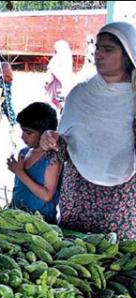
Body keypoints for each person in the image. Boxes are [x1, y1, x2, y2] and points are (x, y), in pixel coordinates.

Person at [40, 22, 136, 239]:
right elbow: (63, 148)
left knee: (117, 263)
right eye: (97, 48)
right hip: (78, 196)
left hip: (123, 199)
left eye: (108, 49)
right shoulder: (80, 94)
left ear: (128, 54)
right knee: (73, 261)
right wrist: (51, 140)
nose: (99, 54)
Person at [7, 102, 61, 223]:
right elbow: (19, 188)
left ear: (45, 134)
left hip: (41, 223)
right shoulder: (24, 152)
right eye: (22, 131)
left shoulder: (52, 159)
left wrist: (19, 172)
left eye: (28, 133)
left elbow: (47, 196)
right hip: (18, 219)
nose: (23, 137)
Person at [45, 40, 74, 113]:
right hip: (65, 87)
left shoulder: (56, 59)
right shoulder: (68, 58)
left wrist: (46, 83)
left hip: (55, 86)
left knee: (53, 103)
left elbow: (51, 73)